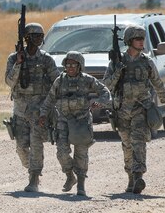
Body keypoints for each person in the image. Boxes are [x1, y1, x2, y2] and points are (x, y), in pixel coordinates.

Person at [103, 24, 165, 194]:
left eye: (142, 39)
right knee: (127, 146)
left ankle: (138, 177)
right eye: (137, 39)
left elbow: (158, 85)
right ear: (129, 41)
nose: (141, 42)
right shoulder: (116, 62)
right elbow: (107, 86)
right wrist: (118, 72)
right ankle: (130, 178)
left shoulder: (147, 62)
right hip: (122, 111)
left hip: (141, 109)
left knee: (139, 143)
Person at [39, 51, 111, 196]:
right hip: (63, 121)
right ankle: (70, 176)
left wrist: (99, 103)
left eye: (73, 64)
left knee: (81, 154)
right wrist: (43, 114)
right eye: (68, 64)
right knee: (62, 153)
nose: (70, 67)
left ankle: (81, 184)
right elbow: (50, 99)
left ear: (80, 66)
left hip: (81, 121)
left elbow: (105, 92)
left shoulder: (87, 80)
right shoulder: (59, 81)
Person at [5, 23, 60, 192]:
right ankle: (31, 169)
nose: (40, 39)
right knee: (21, 147)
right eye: (36, 35)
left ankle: (34, 178)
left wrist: (52, 106)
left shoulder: (46, 59)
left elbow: (56, 82)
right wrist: (19, 64)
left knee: (36, 144)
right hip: (20, 110)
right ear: (27, 38)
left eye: (41, 36)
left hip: (39, 111)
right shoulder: (13, 59)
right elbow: (9, 82)